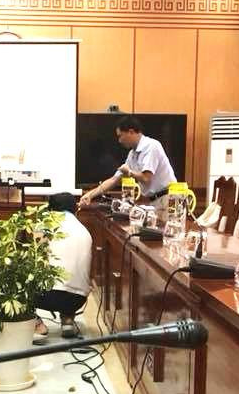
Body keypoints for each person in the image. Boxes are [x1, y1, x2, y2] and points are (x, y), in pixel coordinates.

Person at [78, 115, 177, 212]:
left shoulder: (151, 146)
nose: (119, 141)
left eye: (120, 136)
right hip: (153, 200)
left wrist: (129, 172)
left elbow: (146, 178)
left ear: (131, 132)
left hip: (167, 198)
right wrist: (90, 195)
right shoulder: (132, 154)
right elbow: (114, 180)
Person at [35, 193, 92, 338]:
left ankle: (37, 325)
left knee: (8, 286)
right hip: (78, 299)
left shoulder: (44, 224)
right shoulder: (84, 230)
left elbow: (37, 260)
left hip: (47, 296)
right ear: (75, 209)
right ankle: (67, 320)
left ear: (50, 209)